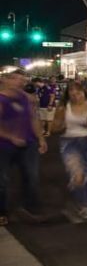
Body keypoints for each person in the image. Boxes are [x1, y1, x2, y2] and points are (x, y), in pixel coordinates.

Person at [0, 70, 45, 226]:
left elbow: (33, 118)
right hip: (4, 146)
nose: (20, 82)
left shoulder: (27, 98)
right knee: (3, 179)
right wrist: (11, 136)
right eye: (17, 79)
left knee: (31, 176)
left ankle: (28, 208)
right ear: (6, 80)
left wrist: (40, 138)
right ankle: (2, 211)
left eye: (23, 80)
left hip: (28, 143)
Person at [54, 80, 87, 220]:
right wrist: (63, 126)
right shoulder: (63, 107)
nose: (75, 95)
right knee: (78, 177)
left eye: (78, 92)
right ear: (68, 94)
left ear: (84, 92)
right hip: (70, 143)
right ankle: (84, 205)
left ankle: (84, 202)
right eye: (71, 93)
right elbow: (54, 129)